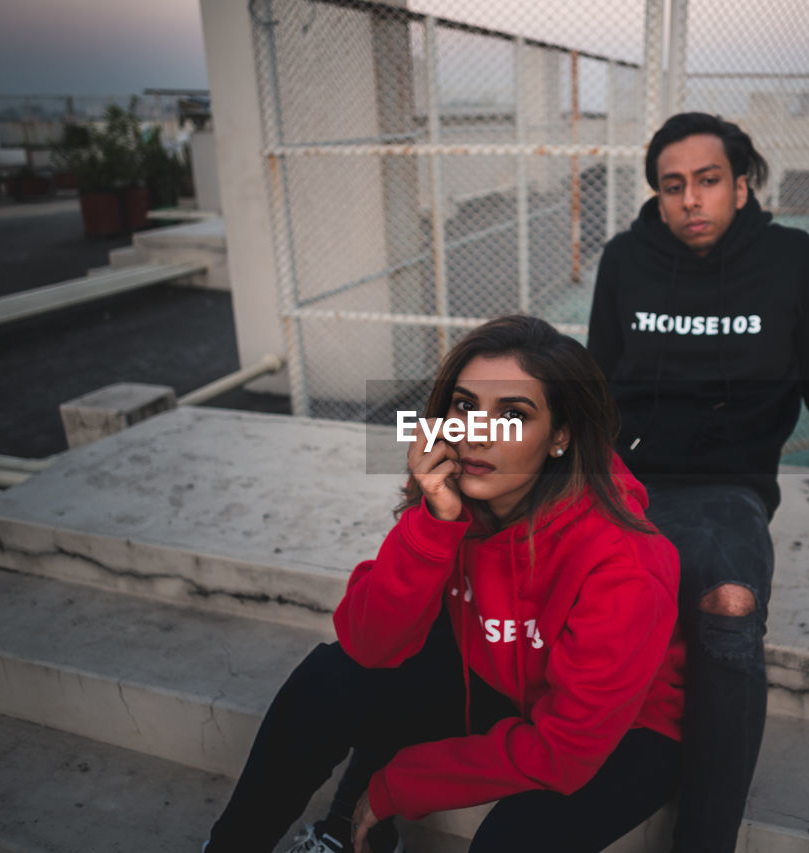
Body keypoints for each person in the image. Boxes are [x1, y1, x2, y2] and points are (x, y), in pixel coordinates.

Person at [204, 314, 686, 853]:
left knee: (510, 843)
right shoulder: (458, 500)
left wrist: (394, 786)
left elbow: (565, 750)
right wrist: (433, 524)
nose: (477, 432)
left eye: (514, 414)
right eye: (464, 406)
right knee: (329, 678)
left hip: (620, 734)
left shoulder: (625, 561)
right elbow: (370, 645)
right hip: (507, 683)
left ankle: (354, 822)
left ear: (561, 436)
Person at [587, 112, 809, 853]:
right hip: (621, 478)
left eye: (708, 181)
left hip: (725, 487)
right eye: (673, 186)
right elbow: (596, 379)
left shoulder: (798, 262)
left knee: (730, 606)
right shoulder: (626, 258)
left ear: (742, 185)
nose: (691, 200)